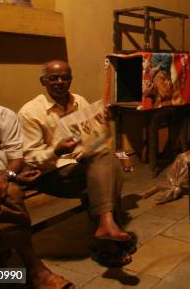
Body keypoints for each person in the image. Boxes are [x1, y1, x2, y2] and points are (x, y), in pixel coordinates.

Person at [0, 57, 74, 288]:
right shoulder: (32, 110)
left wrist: (6, 176)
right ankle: (34, 270)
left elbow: (16, 158)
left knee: (3, 200)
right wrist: (3, 179)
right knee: (9, 196)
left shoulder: (3, 115)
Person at [18, 60, 134, 267]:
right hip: (51, 172)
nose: (60, 82)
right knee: (105, 174)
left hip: (82, 160)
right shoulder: (30, 112)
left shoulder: (79, 100)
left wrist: (102, 121)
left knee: (108, 161)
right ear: (43, 81)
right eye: (54, 78)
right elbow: (30, 158)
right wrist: (56, 150)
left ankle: (106, 232)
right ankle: (107, 238)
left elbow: (90, 134)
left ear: (71, 79)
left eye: (65, 77)